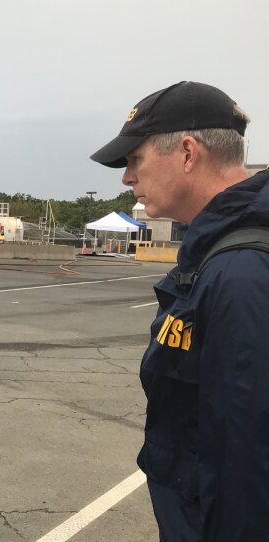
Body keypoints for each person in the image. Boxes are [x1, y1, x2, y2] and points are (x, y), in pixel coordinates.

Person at [90, 81, 269, 541]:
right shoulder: (220, 254)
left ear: (188, 153)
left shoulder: (240, 272)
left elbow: (246, 464)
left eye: (135, 159)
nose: (127, 178)